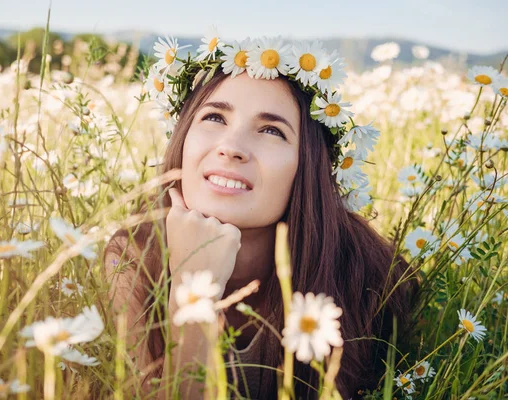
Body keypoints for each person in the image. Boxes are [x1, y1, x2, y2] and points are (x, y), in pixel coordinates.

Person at [104, 33, 418, 399]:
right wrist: (194, 287)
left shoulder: (363, 273)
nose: (231, 148)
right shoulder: (136, 258)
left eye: (271, 130)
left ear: (308, 167)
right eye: (214, 117)